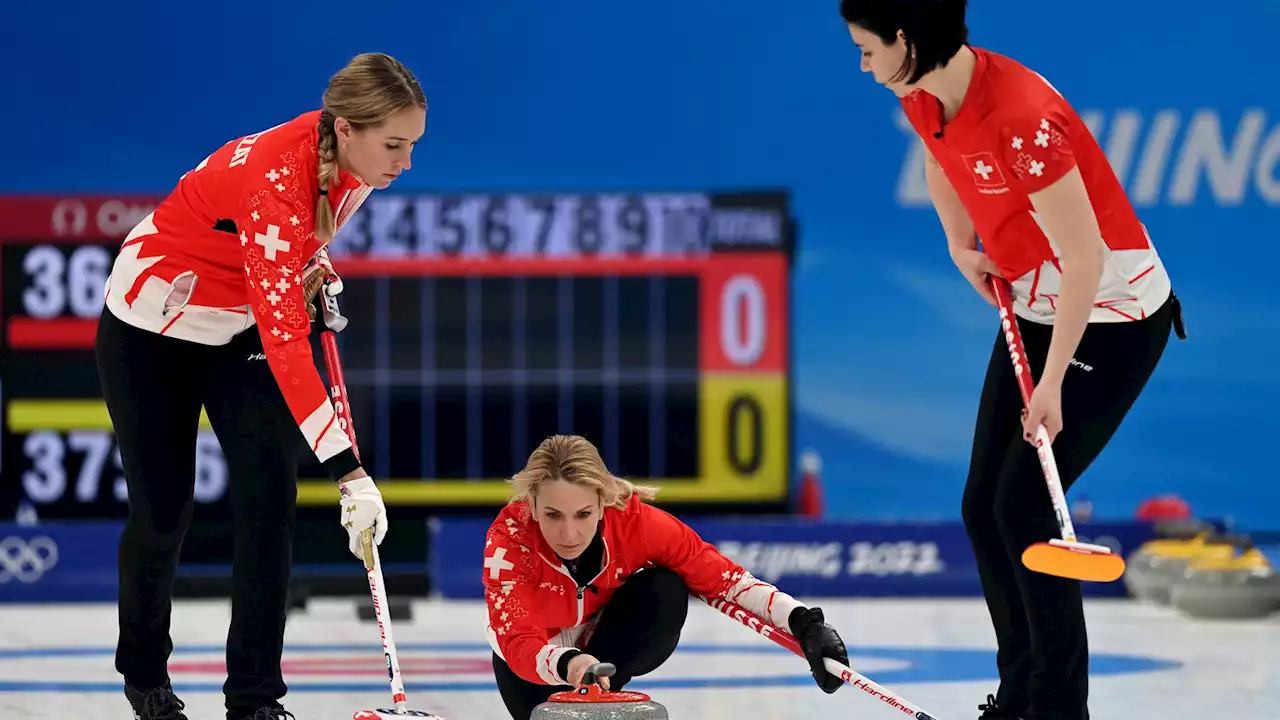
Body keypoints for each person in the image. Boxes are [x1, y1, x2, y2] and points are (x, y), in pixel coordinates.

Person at [837, 2, 1185, 719]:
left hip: (1110, 319)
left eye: (867, 50)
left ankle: (1059, 708)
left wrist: (1053, 382)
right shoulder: (924, 93)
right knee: (981, 506)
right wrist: (956, 242)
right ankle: (1023, 693)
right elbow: (944, 161)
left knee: (1022, 506)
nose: (864, 67)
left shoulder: (1021, 118)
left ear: (905, 39)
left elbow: (1085, 259)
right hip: (1036, 303)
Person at [94, 52, 427, 720]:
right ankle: (144, 678)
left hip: (238, 320)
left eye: (413, 145)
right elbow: (285, 344)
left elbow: (288, 250)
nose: (405, 163)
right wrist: (349, 473)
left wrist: (313, 268)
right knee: (163, 515)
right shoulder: (276, 179)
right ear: (347, 127)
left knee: (269, 507)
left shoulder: (353, 164)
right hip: (152, 328)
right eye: (395, 145)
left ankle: (254, 701)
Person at [483, 434, 851, 720]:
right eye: (552, 515)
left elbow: (724, 580)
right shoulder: (509, 542)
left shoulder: (635, 522)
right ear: (530, 504)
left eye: (583, 514)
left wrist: (803, 621)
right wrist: (571, 663)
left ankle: (606, 691)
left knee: (665, 587)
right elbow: (519, 642)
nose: (569, 534)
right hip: (535, 669)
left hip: (604, 645)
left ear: (603, 502)